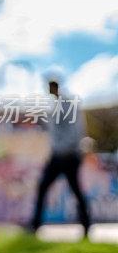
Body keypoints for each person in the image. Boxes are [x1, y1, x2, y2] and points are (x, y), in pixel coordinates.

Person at [30, 76, 90, 237]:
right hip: (57, 156)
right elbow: (54, 132)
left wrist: (68, 148)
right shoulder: (54, 106)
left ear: (54, 87)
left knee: (75, 190)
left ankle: (86, 224)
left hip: (68, 156)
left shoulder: (68, 104)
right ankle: (35, 225)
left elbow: (76, 128)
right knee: (43, 187)